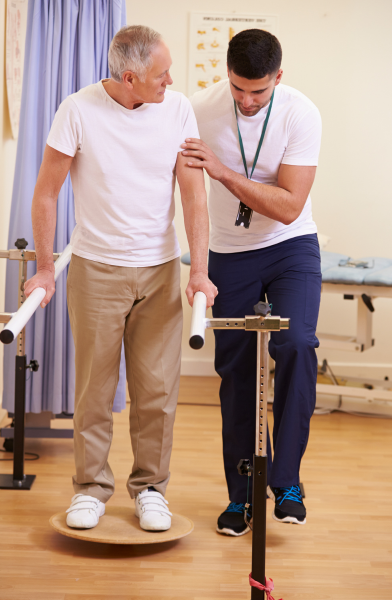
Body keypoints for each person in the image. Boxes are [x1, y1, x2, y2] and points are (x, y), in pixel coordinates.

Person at [24, 25, 217, 532]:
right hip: (95, 268)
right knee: (94, 388)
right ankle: (91, 489)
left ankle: (151, 488)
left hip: (157, 270)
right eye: (161, 74)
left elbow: (195, 196)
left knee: (156, 391)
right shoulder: (78, 110)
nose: (171, 81)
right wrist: (45, 268)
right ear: (129, 77)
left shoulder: (176, 110)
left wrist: (198, 269)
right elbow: (47, 193)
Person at [186, 29, 322, 535]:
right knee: (238, 372)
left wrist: (223, 172)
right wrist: (198, 265)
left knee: (297, 345)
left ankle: (286, 479)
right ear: (226, 74)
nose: (246, 101)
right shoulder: (199, 109)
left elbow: (288, 207)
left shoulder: (300, 113)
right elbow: (190, 194)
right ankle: (241, 494)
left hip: (291, 249)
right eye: (238, 88)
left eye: (258, 91)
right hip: (230, 252)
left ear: (278, 79)